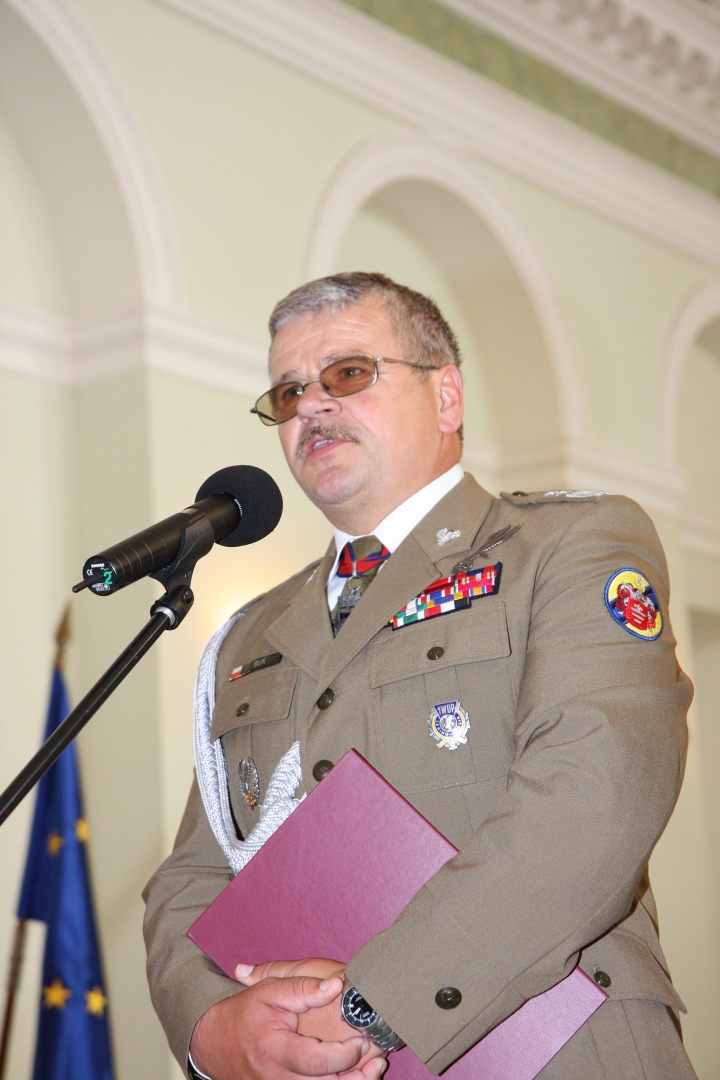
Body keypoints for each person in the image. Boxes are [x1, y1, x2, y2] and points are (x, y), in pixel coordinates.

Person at [143, 272, 696, 1080]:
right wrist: (214, 1030)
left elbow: (595, 796)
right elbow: (195, 872)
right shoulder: (249, 632)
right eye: (288, 392)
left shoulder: (567, 545)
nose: (310, 405)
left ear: (447, 397)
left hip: (553, 1048)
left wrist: (375, 1004)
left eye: (347, 373)